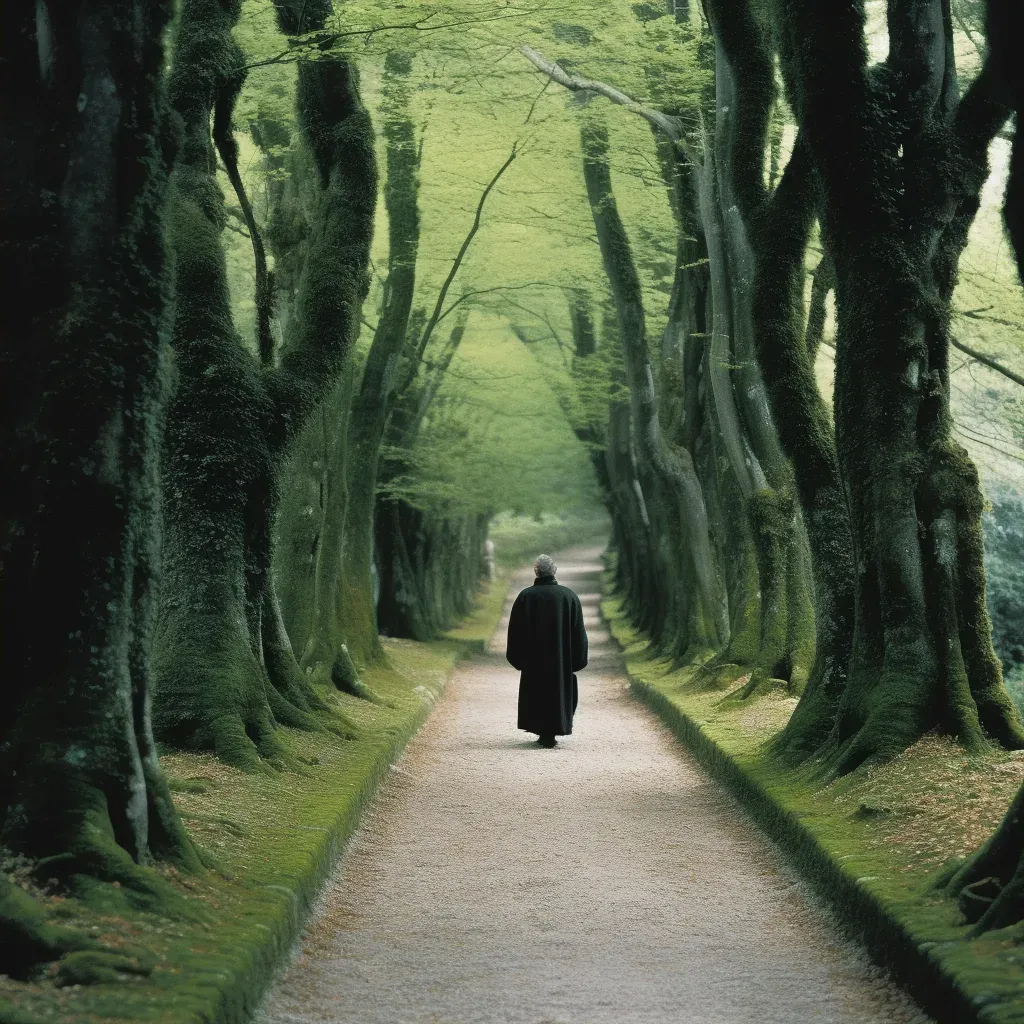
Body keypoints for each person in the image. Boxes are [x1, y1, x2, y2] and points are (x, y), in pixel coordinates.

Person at [505, 554, 588, 748]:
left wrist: (519, 660)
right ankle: (553, 730)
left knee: (536, 691)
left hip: (534, 661)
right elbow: (579, 633)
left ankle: (542, 731)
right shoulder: (569, 597)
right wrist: (576, 661)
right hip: (561, 661)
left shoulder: (526, 596)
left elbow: (515, 632)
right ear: (555, 571)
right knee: (558, 691)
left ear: (536, 571)